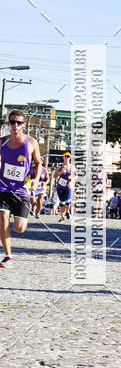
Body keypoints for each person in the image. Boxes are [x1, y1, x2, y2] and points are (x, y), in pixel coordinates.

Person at [0, 110, 42, 268]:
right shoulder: (1, 142)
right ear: (8, 123)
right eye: (12, 122)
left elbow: (38, 163)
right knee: (3, 219)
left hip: (22, 191)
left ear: (24, 125)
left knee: (20, 228)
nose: (15, 125)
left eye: (19, 123)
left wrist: (36, 180)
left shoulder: (31, 143)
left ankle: (18, 219)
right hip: (3, 188)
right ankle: (8, 256)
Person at [54, 152, 73, 221]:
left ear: (70, 158)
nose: (67, 158)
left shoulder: (72, 167)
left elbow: (76, 175)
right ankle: (62, 217)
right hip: (60, 186)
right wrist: (60, 173)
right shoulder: (60, 167)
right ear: (63, 158)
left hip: (68, 186)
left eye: (68, 157)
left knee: (67, 201)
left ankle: (67, 211)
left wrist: (73, 178)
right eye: (65, 157)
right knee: (61, 202)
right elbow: (54, 176)